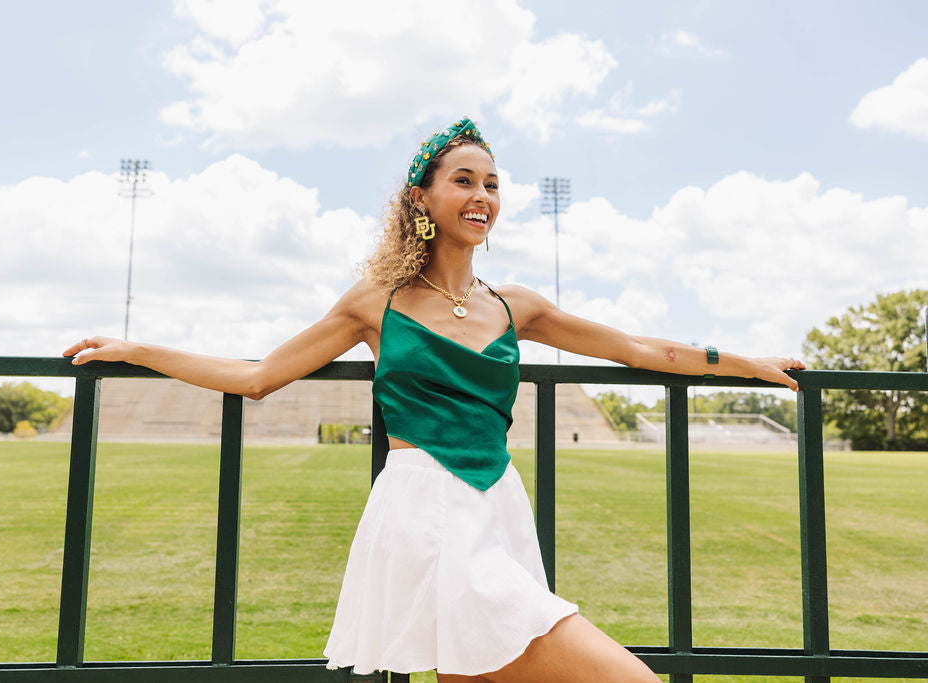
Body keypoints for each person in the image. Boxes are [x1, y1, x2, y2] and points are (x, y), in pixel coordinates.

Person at [64, 118, 805, 682]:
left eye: (491, 183)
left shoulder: (517, 305)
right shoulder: (374, 304)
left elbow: (646, 351)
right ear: (422, 198)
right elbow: (257, 376)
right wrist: (137, 349)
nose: (481, 196)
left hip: (498, 509)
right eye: (463, 180)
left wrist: (749, 363)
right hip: (425, 514)